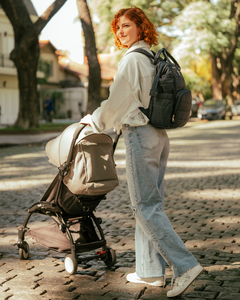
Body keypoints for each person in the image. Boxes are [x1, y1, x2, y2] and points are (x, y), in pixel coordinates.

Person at [80, 6, 203, 298]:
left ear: (140, 28)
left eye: (126, 26)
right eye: (118, 27)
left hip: (140, 136)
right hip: (158, 136)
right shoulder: (150, 57)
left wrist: (92, 121)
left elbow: (116, 102)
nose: (121, 31)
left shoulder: (132, 60)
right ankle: (150, 271)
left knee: (144, 208)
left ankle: (185, 266)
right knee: (151, 205)